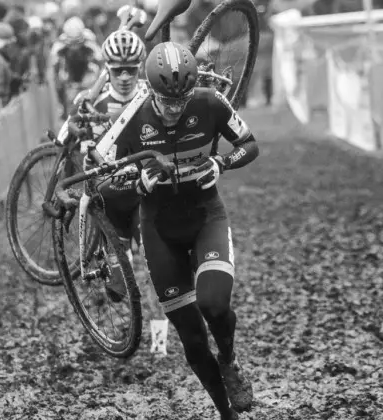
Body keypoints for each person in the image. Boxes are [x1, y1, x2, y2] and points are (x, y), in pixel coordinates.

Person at [97, 42, 258, 420]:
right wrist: (137, 183)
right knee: (192, 338)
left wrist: (221, 162)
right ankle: (226, 413)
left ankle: (230, 361)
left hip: (206, 218)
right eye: (166, 101)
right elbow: (101, 183)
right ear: (150, 90)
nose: (174, 109)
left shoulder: (210, 103)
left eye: (181, 100)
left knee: (214, 305)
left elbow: (249, 144)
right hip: (158, 231)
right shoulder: (131, 116)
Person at [56, 29, 147, 299]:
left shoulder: (151, 95)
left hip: (146, 192)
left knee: (159, 274)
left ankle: (160, 343)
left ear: (139, 66)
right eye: (118, 70)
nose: (125, 77)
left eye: (131, 69)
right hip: (111, 197)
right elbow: (64, 139)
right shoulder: (94, 98)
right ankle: (118, 258)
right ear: (107, 69)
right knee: (118, 292)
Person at [48, 16, 103, 118]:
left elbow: (100, 59)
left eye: (77, 43)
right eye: (71, 44)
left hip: (87, 73)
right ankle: (63, 107)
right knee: (59, 83)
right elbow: (54, 64)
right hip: (69, 74)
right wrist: (58, 83)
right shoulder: (59, 43)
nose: (74, 47)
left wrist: (99, 80)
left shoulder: (90, 39)